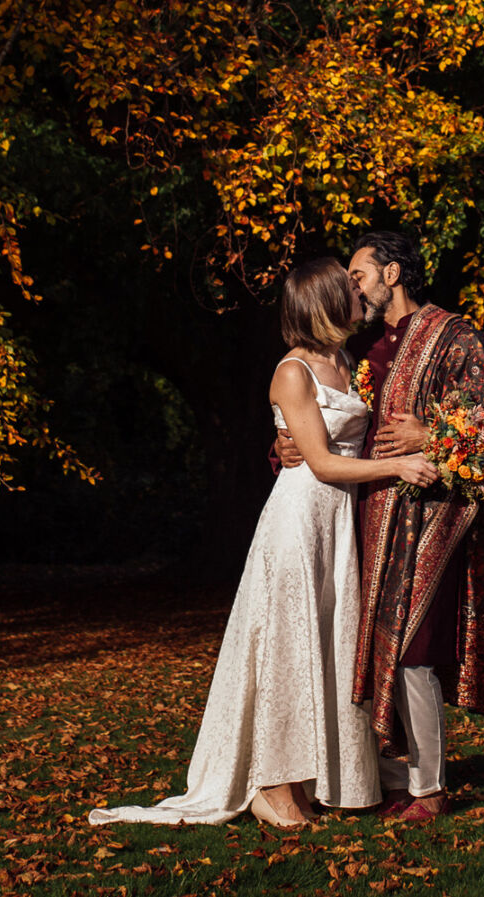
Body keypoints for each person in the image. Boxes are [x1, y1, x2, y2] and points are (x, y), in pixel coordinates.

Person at [91, 258, 439, 829]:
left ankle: (322, 775)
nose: (357, 292)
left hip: (339, 524)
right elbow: (323, 463)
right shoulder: (293, 372)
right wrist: (399, 466)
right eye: (347, 287)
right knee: (286, 649)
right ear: (323, 301)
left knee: (326, 649)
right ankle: (272, 786)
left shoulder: (346, 361)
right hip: (300, 521)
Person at [275, 231, 484, 823]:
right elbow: (326, 428)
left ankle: (429, 790)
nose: (351, 286)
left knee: (415, 649)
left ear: (394, 273)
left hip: (434, 520)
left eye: (358, 274)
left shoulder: (456, 338)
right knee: (369, 647)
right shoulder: (365, 353)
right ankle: (381, 772)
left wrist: (432, 439)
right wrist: (284, 444)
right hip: (364, 523)